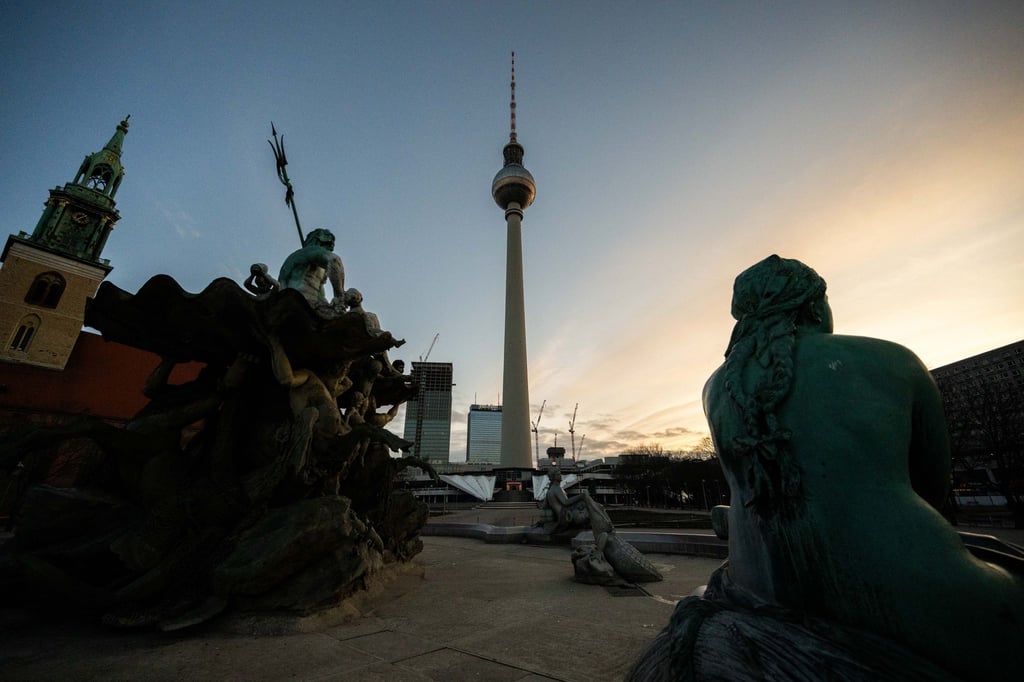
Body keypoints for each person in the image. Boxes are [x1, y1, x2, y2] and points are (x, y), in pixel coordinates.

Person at [701, 255, 1023, 681]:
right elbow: (932, 485)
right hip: (923, 594)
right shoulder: (893, 360)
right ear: (815, 306)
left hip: (760, 587)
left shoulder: (718, 388)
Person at [277, 228, 344, 309]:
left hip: (306, 303)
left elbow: (320, 292)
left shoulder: (304, 259)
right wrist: (340, 296)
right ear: (321, 240)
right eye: (328, 246)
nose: (329, 250)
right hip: (301, 299)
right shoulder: (311, 251)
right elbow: (334, 260)